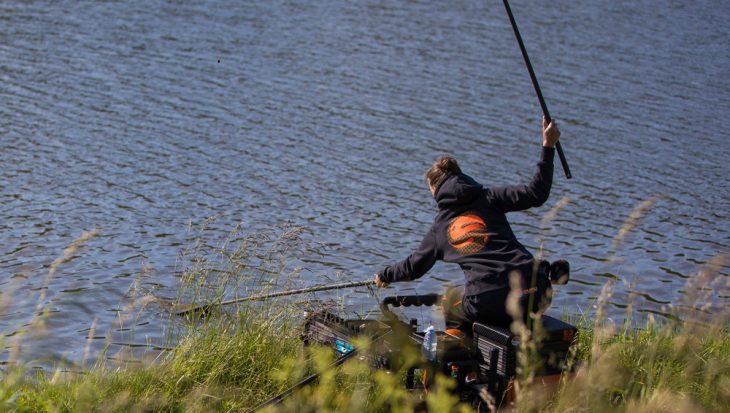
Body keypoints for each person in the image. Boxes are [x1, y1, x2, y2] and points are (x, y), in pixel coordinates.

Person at [374, 117, 561, 329]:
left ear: (435, 190)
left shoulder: (441, 227)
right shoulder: (490, 197)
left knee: (449, 302)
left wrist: (385, 274)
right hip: (537, 289)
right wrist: (548, 146)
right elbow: (536, 193)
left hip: (489, 299)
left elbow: (413, 268)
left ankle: (456, 358)